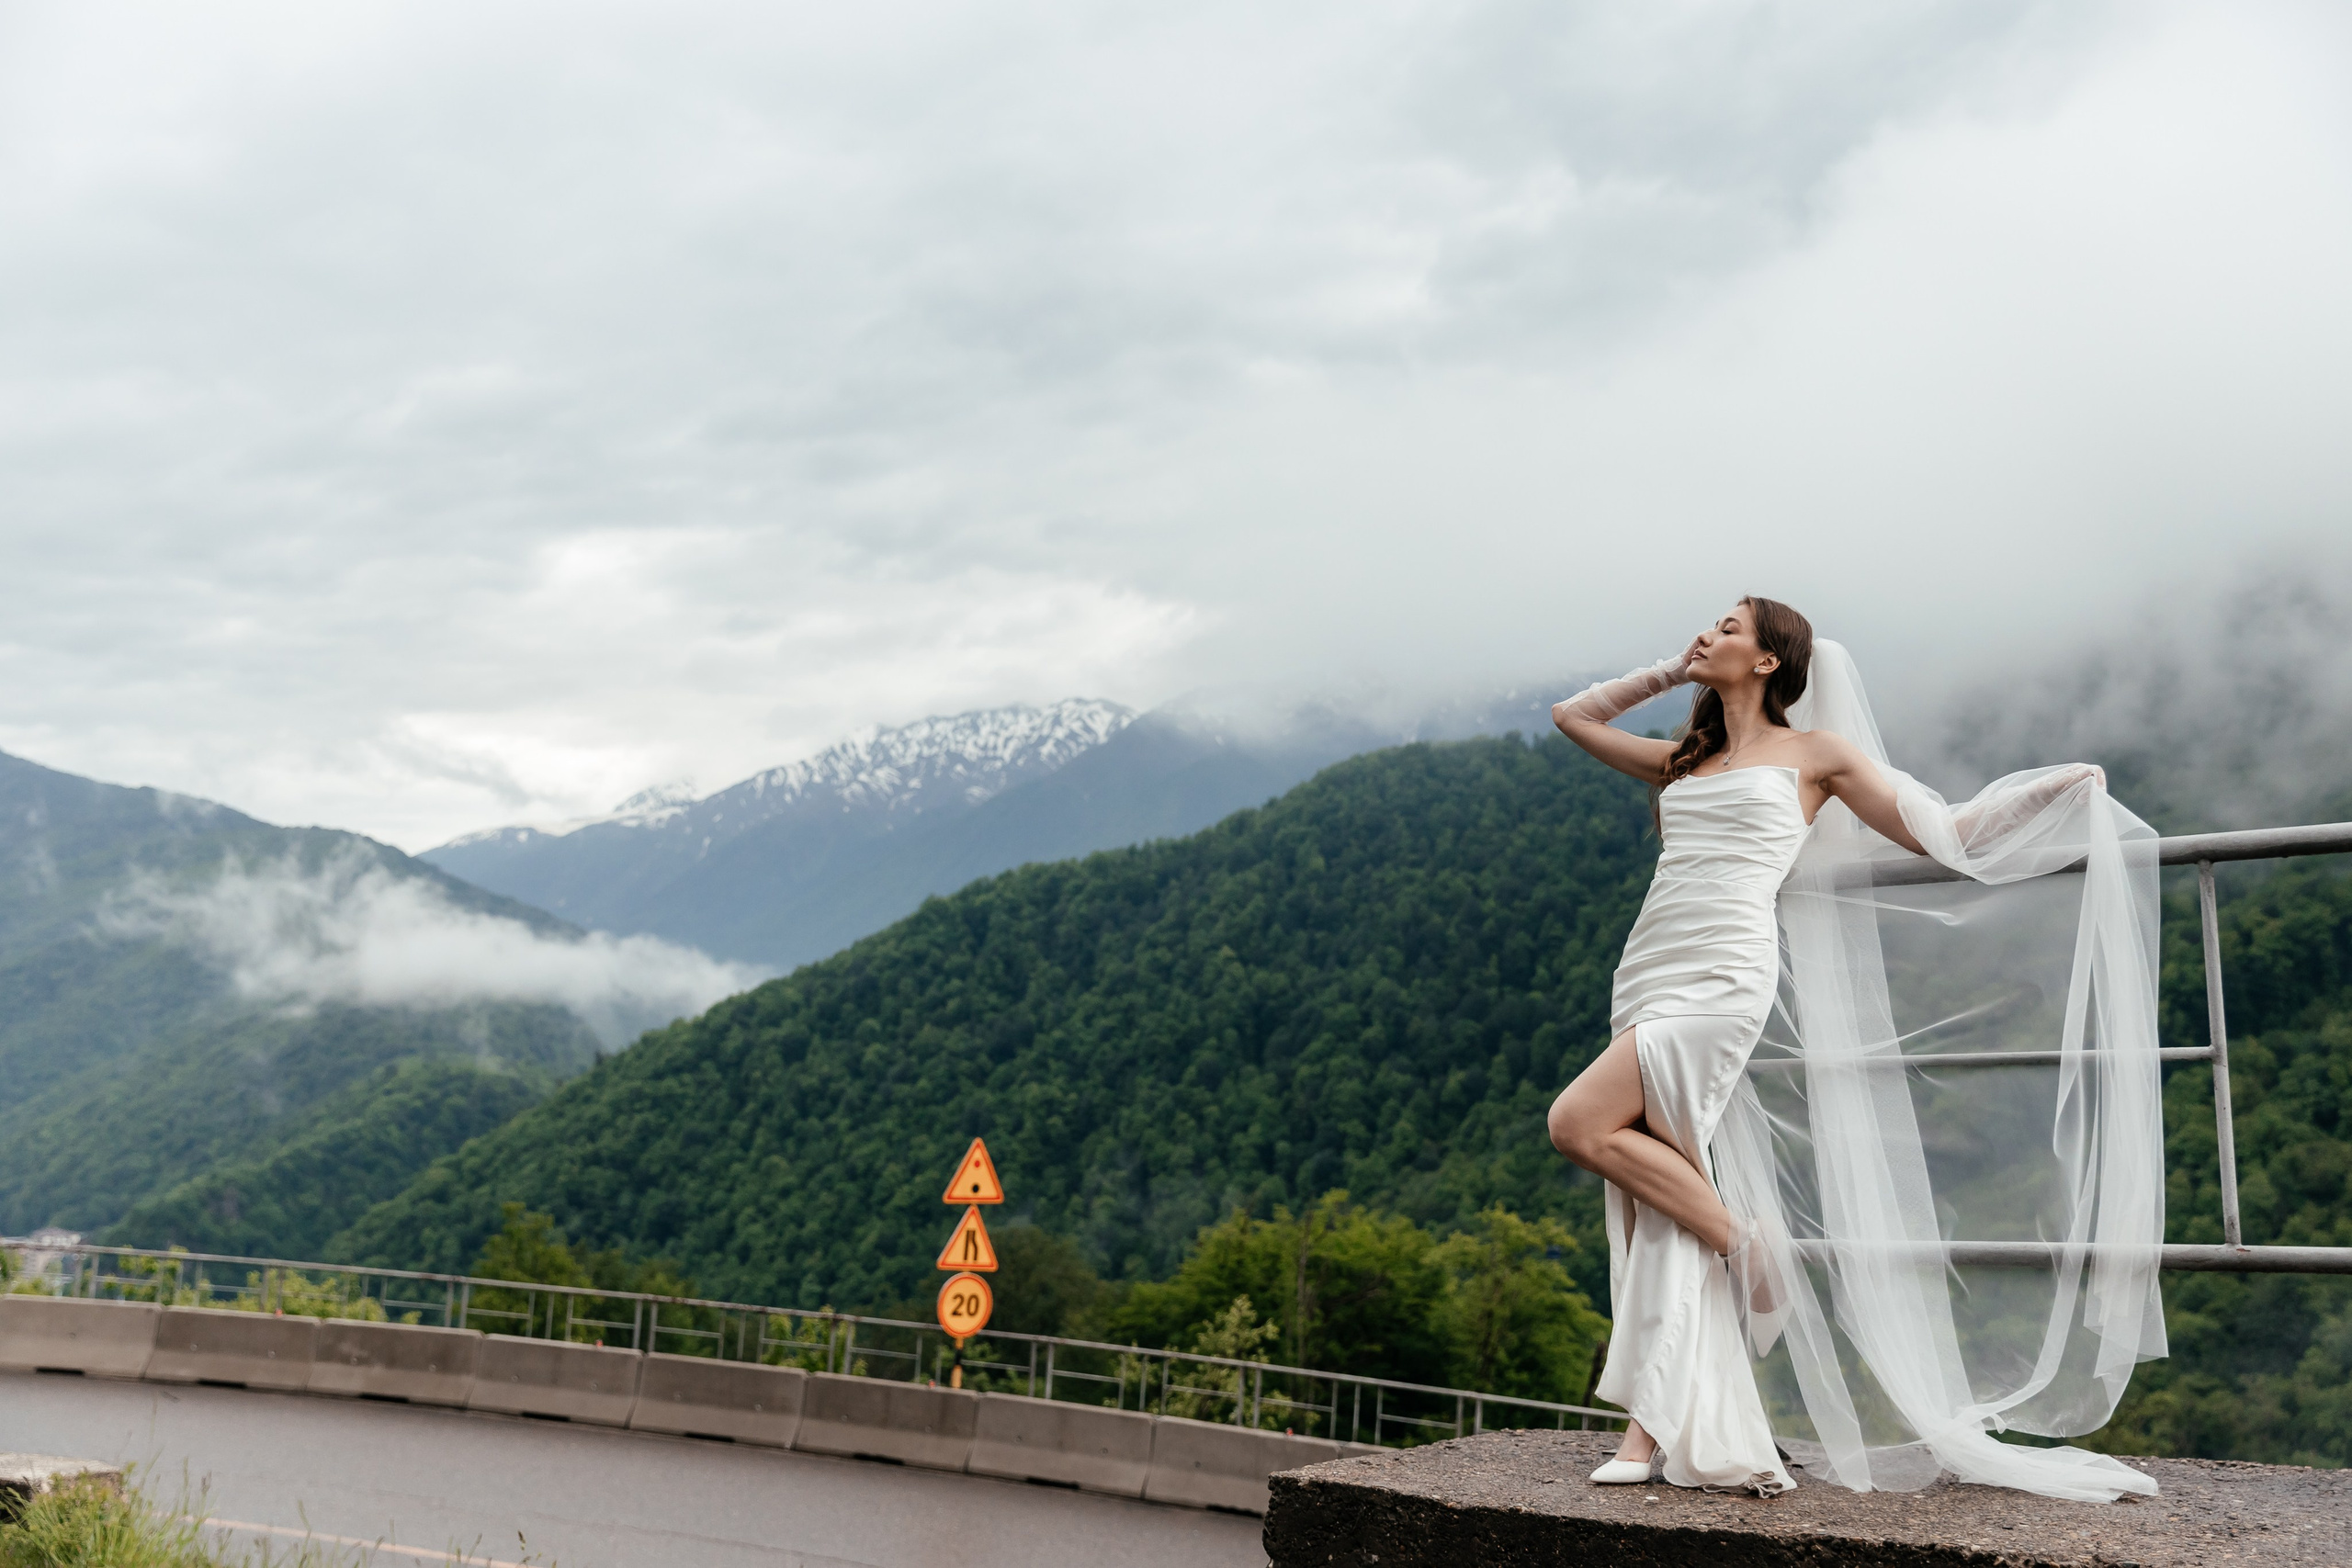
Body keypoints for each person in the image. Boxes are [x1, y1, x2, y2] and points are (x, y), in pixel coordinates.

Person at [1544, 598, 2166, 1502]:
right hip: (1647, 966)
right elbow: (1574, 719)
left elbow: (1943, 832)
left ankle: (1747, 1246)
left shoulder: (1818, 756)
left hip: (1721, 972)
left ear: (1770, 660)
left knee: (1578, 1123)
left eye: (1727, 626)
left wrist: (2051, 789)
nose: (1708, 632)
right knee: (1654, 1199)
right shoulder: (1688, 759)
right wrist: (1669, 673)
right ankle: (1651, 1427)